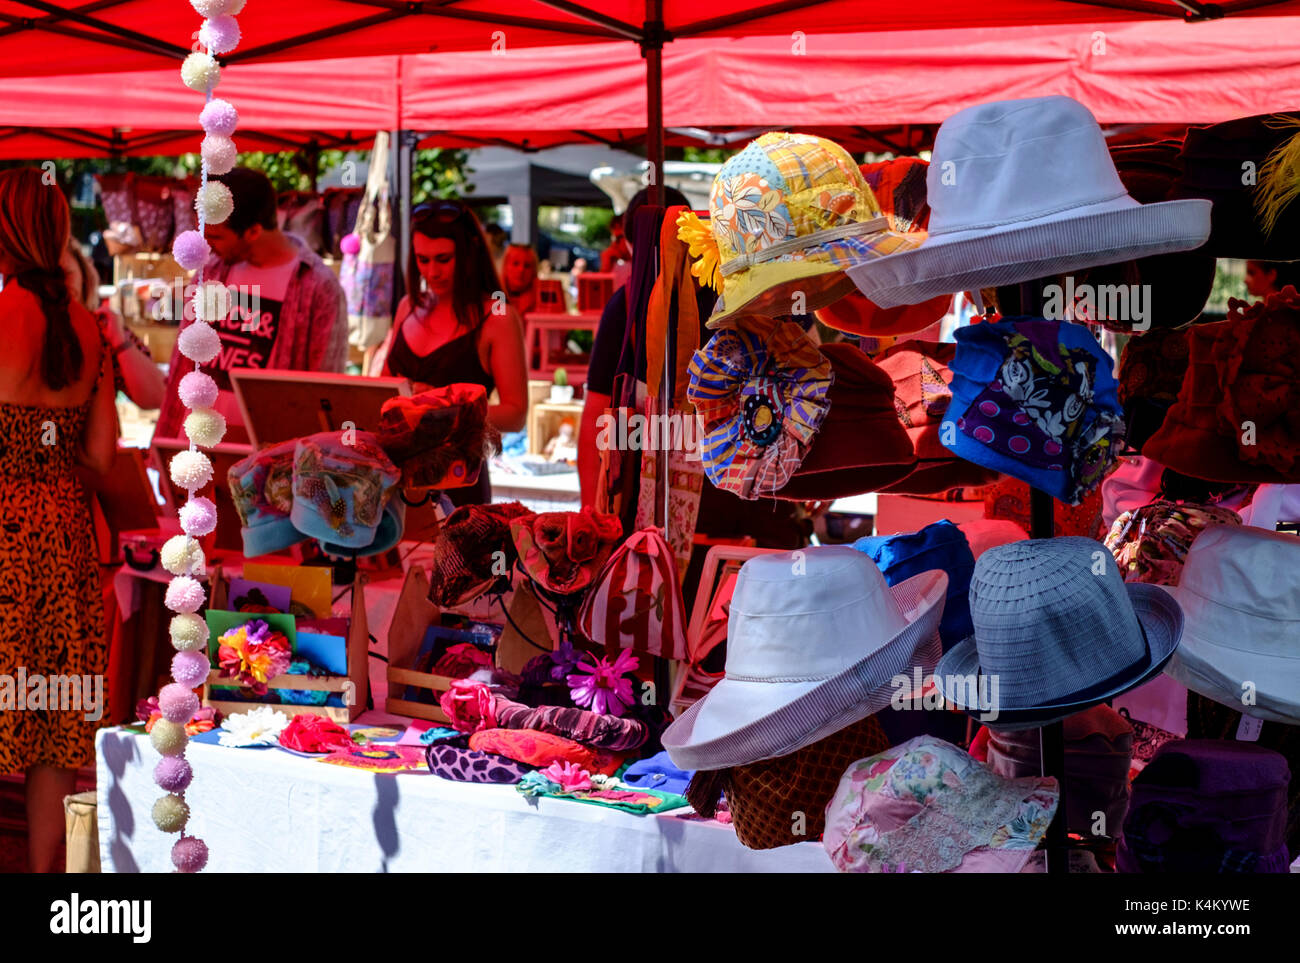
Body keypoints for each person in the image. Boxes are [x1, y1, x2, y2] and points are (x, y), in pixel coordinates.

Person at [579, 187, 809, 604]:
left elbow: (597, 415)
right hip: (741, 504)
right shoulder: (637, 303)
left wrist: (592, 515)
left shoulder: (641, 300)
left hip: (694, 513)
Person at [0, 167, 117, 873]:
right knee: (51, 730)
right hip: (65, 536)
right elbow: (101, 453)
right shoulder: (88, 323)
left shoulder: (3, 311)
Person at [156, 166, 348, 438]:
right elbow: (183, 364)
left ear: (254, 231)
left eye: (216, 237)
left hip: (264, 460)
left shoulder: (318, 286)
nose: (206, 246)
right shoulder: (211, 270)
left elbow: (323, 390)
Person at [375, 199, 528, 505]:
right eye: (422, 259)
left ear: (469, 255)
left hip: (459, 491)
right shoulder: (408, 306)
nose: (432, 271)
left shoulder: (496, 316)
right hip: (395, 489)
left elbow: (515, 414)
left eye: (443, 259)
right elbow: (382, 393)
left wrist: (441, 412)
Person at [62, 238, 166, 411]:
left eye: (64, 274)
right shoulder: (24, 330)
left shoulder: (104, 328)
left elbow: (157, 396)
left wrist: (119, 342)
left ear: (83, 276)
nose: (57, 285)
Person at [501, 242, 541, 315]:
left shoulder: (541, 301)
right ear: (505, 266)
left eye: (527, 265)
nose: (521, 270)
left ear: (533, 271)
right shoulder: (492, 297)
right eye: (515, 263)